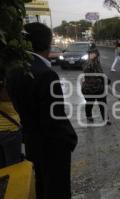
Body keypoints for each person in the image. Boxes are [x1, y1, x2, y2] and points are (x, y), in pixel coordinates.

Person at [6, 22, 78, 199]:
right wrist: (69, 139)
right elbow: (54, 118)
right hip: (52, 148)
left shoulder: (15, 69)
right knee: (57, 190)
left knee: (42, 185)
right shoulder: (46, 74)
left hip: (33, 143)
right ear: (48, 42)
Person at [82, 43, 111, 125]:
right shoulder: (90, 63)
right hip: (92, 88)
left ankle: (103, 119)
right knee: (94, 103)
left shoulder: (93, 63)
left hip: (94, 87)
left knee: (97, 103)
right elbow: (96, 74)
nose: (95, 56)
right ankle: (91, 117)